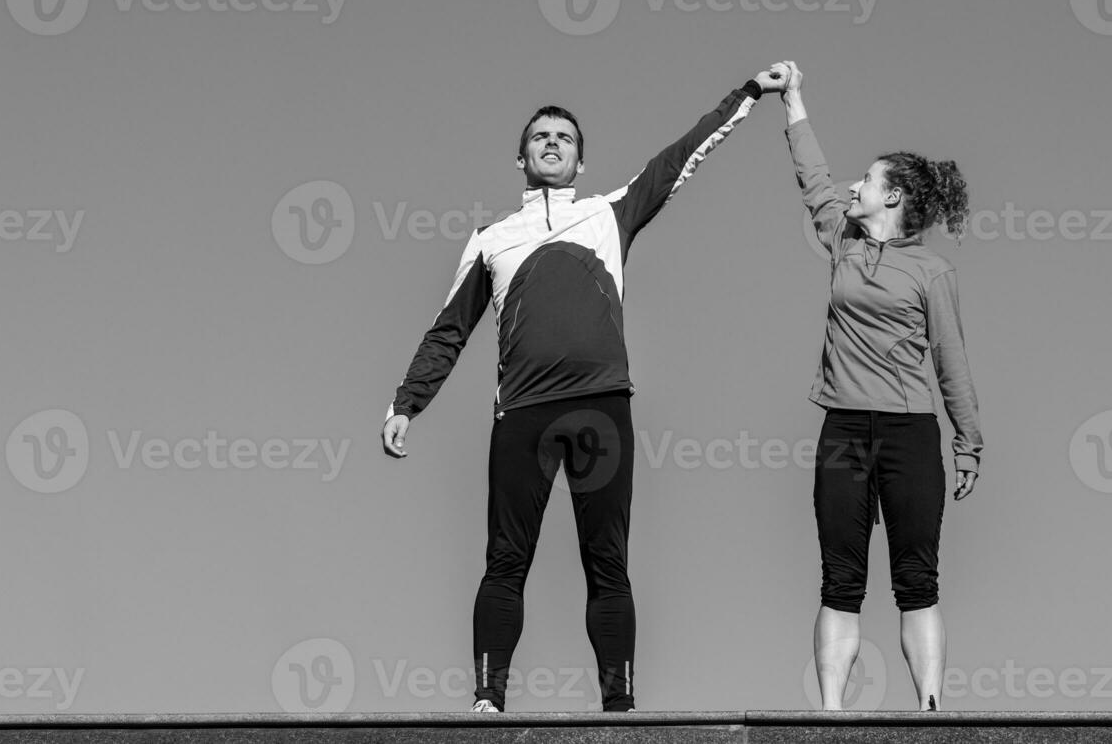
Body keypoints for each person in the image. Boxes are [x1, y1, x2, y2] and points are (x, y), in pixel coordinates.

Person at [381, 66, 791, 713]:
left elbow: (681, 156)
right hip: (522, 416)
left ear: (579, 160)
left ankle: (618, 707)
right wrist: (407, 403)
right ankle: (488, 700)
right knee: (505, 560)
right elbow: (448, 331)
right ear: (520, 157)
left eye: (563, 138)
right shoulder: (491, 240)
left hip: (601, 410)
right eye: (539, 137)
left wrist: (746, 93)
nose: (551, 144)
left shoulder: (609, 214)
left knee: (607, 563)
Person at [777, 61, 982, 712]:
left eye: (865, 180)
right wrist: (793, 99)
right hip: (842, 431)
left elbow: (951, 360)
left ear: (891, 197)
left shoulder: (928, 271)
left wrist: (968, 442)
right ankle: (831, 713)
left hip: (909, 435)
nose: (852, 185)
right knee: (839, 580)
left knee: (916, 579)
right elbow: (811, 177)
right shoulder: (841, 242)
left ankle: (928, 705)